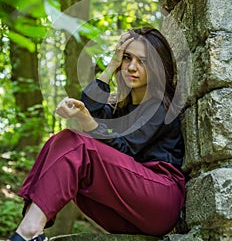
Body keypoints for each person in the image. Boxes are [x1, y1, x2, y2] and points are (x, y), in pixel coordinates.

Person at [8, 27, 186, 241]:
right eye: (126, 58)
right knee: (60, 141)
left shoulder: (160, 107)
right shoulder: (119, 107)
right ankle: (30, 227)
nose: (131, 67)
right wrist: (111, 65)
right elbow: (91, 106)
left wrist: (86, 120)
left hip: (160, 199)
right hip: (129, 208)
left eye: (143, 61)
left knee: (76, 143)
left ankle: (28, 232)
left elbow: (125, 148)